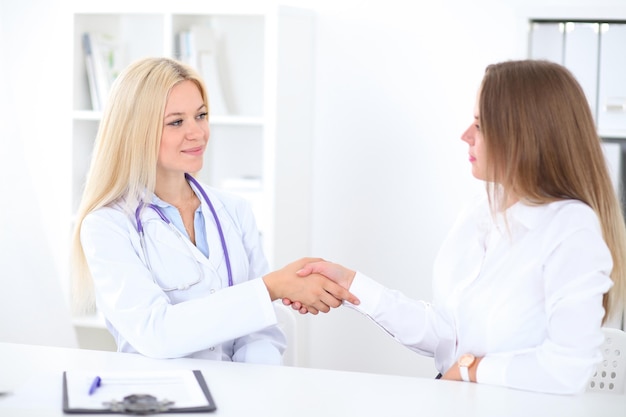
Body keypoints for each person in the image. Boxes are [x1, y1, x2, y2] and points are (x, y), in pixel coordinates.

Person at [288, 59, 626, 394]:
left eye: (480, 125)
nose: (465, 135)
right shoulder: (482, 211)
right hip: (456, 399)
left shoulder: (570, 228)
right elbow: (447, 334)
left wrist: (471, 370)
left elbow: (566, 371)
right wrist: (351, 284)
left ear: (523, 134)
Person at [70, 57, 358, 365]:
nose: (197, 133)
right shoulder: (107, 225)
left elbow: (261, 331)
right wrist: (271, 287)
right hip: (162, 398)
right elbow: (156, 333)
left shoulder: (234, 211)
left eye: (201, 115)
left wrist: (255, 388)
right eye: (176, 122)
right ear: (136, 132)